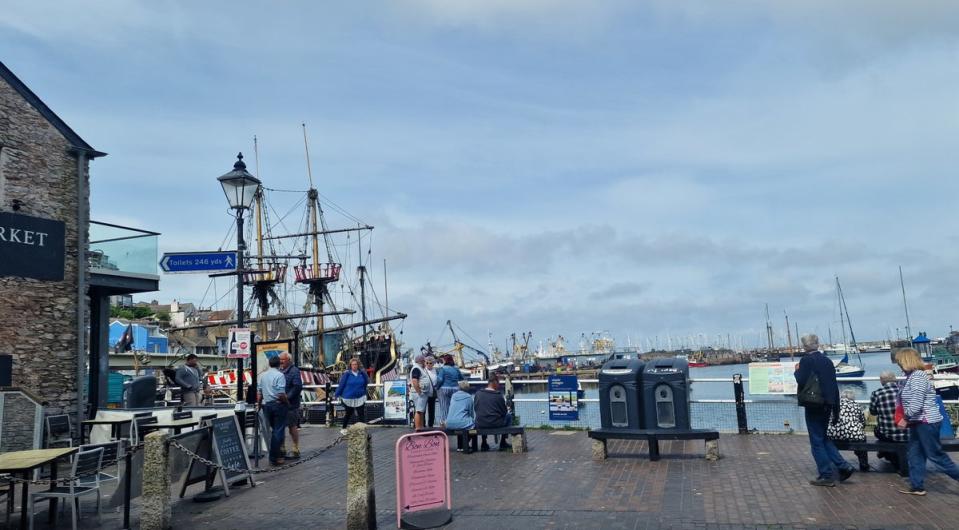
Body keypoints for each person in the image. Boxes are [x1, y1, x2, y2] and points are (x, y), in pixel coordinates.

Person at [895, 348, 959, 495]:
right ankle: (917, 486)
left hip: (926, 422)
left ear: (906, 361)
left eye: (899, 361)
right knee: (915, 454)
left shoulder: (917, 377)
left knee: (936, 456)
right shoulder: (912, 376)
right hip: (919, 422)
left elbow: (917, 402)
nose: (898, 365)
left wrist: (905, 418)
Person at [794, 333, 855, 486]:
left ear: (805, 346)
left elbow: (801, 380)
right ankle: (843, 466)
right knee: (823, 437)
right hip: (828, 403)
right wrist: (836, 407)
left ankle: (826, 474)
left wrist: (796, 370)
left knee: (816, 441)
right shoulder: (827, 360)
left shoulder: (806, 360)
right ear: (817, 344)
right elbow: (833, 385)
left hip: (814, 403)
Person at [869, 370, 908, 467]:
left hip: (888, 435)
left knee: (877, 430)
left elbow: (873, 412)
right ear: (895, 379)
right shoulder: (906, 391)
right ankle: (885, 452)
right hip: (907, 432)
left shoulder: (877, 393)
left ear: (882, 381)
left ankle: (885, 452)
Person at [257, 355, 288, 466]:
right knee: (278, 431)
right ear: (279, 364)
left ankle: (278, 455)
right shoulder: (280, 375)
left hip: (267, 405)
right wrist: (287, 403)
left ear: (269, 364)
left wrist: (259, 405)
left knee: (273, 431)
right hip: (278, 405)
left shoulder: (263, 376)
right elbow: (281, 394)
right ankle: (274, 457)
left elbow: (259, 394)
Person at [828, 388, 868, 470]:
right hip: (854, 435)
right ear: (852, 397)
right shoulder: (857, 406)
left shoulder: (835, 406)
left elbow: (829, 420)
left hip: (835, 434)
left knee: (827, 441)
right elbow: (863, 422)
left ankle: (831, 462)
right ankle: (863, 463)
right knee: (861, 438)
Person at [474, 372, 512, 451]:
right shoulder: (498, 395)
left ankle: (484, 442)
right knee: (509, 416)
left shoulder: (478, 394)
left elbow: (476, 408)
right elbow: (504, 412)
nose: (499, 385)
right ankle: (503, 442)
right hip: (495, 423)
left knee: (482, 415)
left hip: (480, 423)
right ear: (494, 382)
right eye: (498, 383)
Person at [335, 358, 369, 435]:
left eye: (356, 364)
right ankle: (343, 428)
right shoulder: (347, 374)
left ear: (358, 365)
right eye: (353, 364)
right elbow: (342, 385)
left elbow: (366, 382)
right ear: (350, 366)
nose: (354, 366)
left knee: (361, 414)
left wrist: (363, 391)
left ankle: (362, 430)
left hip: (360, 397)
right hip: (349, 397)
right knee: (348, 413)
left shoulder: (361, 374)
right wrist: (337, 394)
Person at [278, 352, 303, 458]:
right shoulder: (279, 370)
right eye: (280, 360)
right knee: (280, 427)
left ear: (289, 360)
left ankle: (295, 448)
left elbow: (297, 387)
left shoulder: (294, 371)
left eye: (283, 359)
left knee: (292, 426)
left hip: (291, 404)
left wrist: (287, 397)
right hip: (280, 403)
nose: (281, 361)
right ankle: (282, 447)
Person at [445, 380, 477, 451]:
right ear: (467, 388)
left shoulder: (453, 396)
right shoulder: (469, 397)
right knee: (470, 425)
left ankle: (460, 446)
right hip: (461, 423)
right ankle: (465, 445)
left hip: (449, 423)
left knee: (460, 421)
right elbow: (471, 412)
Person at [435, 354, 463, 428]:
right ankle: (453, 423)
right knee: (454, 407)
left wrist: (436, 387)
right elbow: (461, 378)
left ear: (445, 361)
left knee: (444, 407)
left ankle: (444, 424)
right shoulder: (456, 369)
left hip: (444, 389)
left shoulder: (443, 369)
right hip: (455, 389)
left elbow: (440, 379)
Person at [409, 354, 434, 430]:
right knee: (419, 411)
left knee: (421, 411)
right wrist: (419, 391)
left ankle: (421, 426)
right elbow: (414, 380)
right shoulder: (416, 368)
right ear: (421, 361)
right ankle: (418, 427)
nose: (425, 363)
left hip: (422, 393)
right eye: (424, 361)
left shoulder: (419, 368)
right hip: (419, 394)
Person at [425, 356, 438, 428]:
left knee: (432, 409)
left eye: (430, 363)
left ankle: (431, 424)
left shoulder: (436, 370)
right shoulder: (423, 370)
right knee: (423, 409)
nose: (429, 364)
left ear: (433, 363)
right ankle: (422, 424)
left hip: (432, 392)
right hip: (425, 393)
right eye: (427, 363)